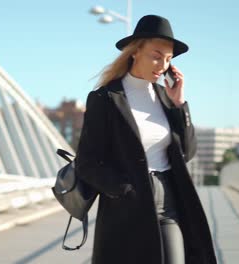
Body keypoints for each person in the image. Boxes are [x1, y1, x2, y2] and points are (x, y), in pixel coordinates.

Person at [74, 15, 217, 264]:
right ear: (135, 51)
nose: (162, 64)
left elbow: (187, 151)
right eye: (156, 55)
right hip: (127, 206)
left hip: (169, 201)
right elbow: (87, 161)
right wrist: (123, 190)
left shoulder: (165, 98)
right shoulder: (106, 98)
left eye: (168, 59)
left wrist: (179, 104)